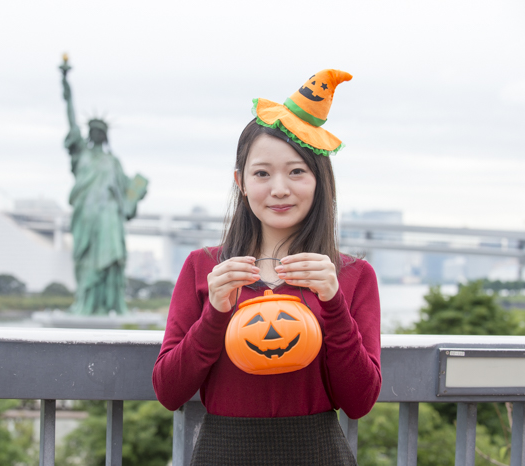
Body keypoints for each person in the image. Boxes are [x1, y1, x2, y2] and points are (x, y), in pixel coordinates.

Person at [152, 70, 381, 465]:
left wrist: (333, 303)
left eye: (297, 171)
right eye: (262, 173)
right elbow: (169, 391)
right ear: (240, 181)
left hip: (318, 453)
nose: (279, 188)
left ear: (319, 181)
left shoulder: (351, 275)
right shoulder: (204, 267)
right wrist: (216, 314)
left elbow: (359, 401)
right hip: (222, 452)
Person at [59, 55, 148, 315]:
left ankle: (111, 304)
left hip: (109, 214)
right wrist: (65, 84)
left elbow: (127, 194)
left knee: (112, 260)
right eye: (93, 130)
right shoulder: (81, 156)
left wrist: (136, 194)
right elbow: (70, 119)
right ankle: (85, 303)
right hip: (87, 214)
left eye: (101, 131)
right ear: (88, 134)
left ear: (105, 135)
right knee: (86, 260)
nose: (96, 134)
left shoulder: (113, 161)